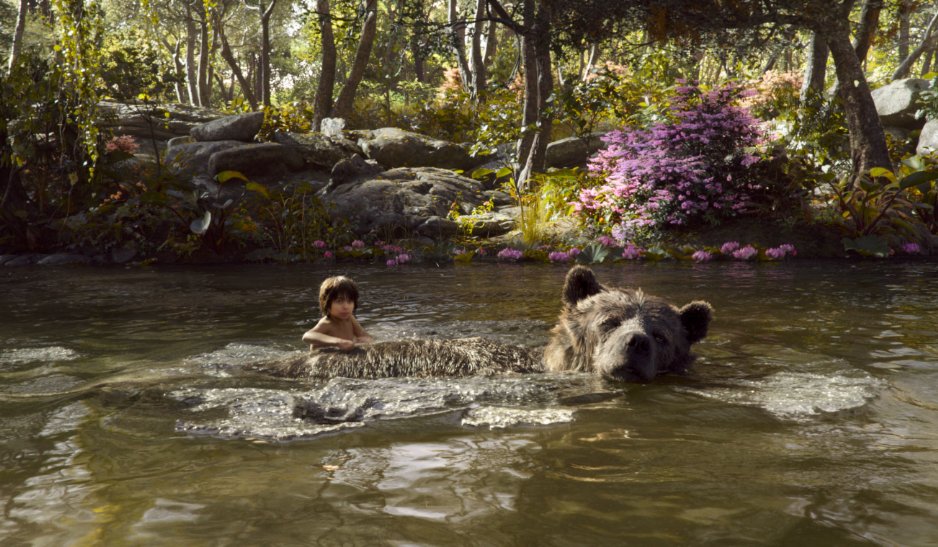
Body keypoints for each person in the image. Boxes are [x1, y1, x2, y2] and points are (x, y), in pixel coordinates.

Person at [302, 276, 374, 351]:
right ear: (326, 304)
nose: (346, 306)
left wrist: (364, 340)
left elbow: (364, 335)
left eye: (350, 301)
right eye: (339, 301)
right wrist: (338, 342)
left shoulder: (350, 318)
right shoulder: (327, 322)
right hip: (322, 359)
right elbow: (307, 336)